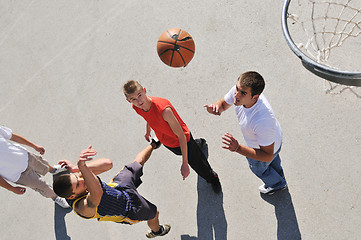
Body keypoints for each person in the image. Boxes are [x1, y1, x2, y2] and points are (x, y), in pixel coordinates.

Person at [53, 140, 171, 239]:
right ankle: (157, 231)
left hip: (119, 186)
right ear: (72, 196)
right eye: (78, 184)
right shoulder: (82, 208)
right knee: (154, 213)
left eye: (77, 177)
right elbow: (97, 193)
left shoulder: (80, 179)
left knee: (138, 163)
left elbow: (107, 164)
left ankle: (155, 143)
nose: (82, 180)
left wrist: (77, 168)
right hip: (129, 210)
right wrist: (82, 168)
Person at [123, 80, 221, 193]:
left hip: (183, 140)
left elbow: (181, 136)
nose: (139, 101)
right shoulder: (137, 107)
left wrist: (185, 163)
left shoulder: (164, 110)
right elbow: (148, 117)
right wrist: (148, 129)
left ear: (144, 91)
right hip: (168, 142)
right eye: (133, 99)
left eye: (139, 95)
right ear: (128, 100)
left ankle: (212, 178)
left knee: (198, 164)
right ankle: (198, 144)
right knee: (182, 152)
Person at [204, 71, 287, 195]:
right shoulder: (239, 93)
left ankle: (277, 185)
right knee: (274, 164)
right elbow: (222, 104)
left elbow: (267, 155)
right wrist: (216, 108)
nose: (236, 95)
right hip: (271, 141)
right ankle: (279, 178)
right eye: (237, 88)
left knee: (260, 170)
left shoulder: (262, 120)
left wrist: (238, 148)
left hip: (266, 148)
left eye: (242, 93)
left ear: (255, 97)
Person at [0, 125, 70, 208]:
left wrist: (34, 146)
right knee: (41, 185)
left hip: (25, 156)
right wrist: (11, 188)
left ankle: (53, 170)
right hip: (17, 175)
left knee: (43, 164)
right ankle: (55, 197)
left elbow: (13, 137)